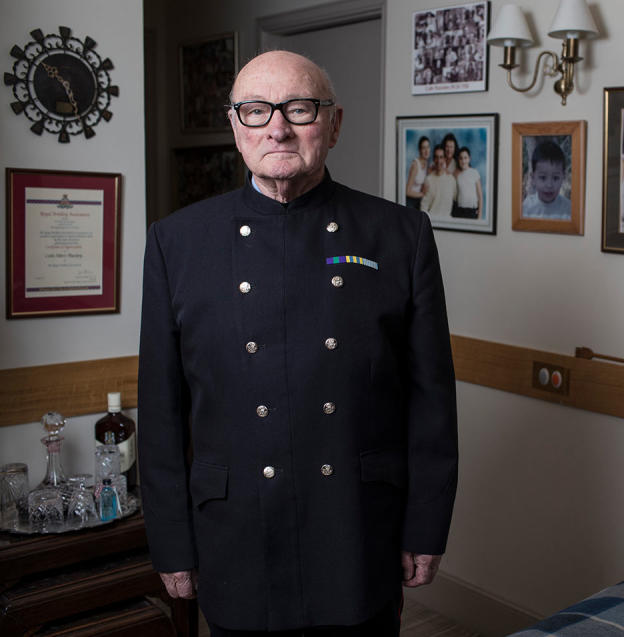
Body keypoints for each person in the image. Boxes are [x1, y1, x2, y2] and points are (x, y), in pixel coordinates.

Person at [138, 51, 458, 636]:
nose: (277, 127)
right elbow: (161, 414)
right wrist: (170, 542)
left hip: (357, 530)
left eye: (299, 108)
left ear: (333, 124)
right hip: (235, 535)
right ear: (236, 126)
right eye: (256, 111)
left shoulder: (400, 234)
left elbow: (431, 401)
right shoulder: (175, 243)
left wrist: (425, 526)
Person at [522, 139, 571, 219]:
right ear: (533, 178)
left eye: (555, 178)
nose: (549, 185)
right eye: (543, 177)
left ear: (563, 177)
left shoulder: (568, 209)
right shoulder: (526, 207)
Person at [421, 144, 457, 217]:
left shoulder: (451, 179)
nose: (438, 160)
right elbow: (423, 207)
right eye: (436, 157)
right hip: (432, 222)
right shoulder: (428, 179)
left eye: (441, 157)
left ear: (445, 159)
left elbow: (455, 199)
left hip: (448, 222)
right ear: (433, 159)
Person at [452, 147, 482, 219]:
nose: (463, 161)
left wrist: (479, 215)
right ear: (458, 160)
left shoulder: (474, 172)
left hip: (472, 210)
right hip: (460, 210)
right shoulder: (457, 175)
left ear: (469, 159)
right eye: (461, 158)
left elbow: (480, 197)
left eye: (465, 158)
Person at [405, 135, 430, 210]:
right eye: (423, 148)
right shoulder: (415, 165)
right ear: (419, 150)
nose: (426, 150)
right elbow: (407, 191)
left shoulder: (426, 163)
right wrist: (422, 194)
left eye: (428, 147)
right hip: (411, 201)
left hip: (419, 200)